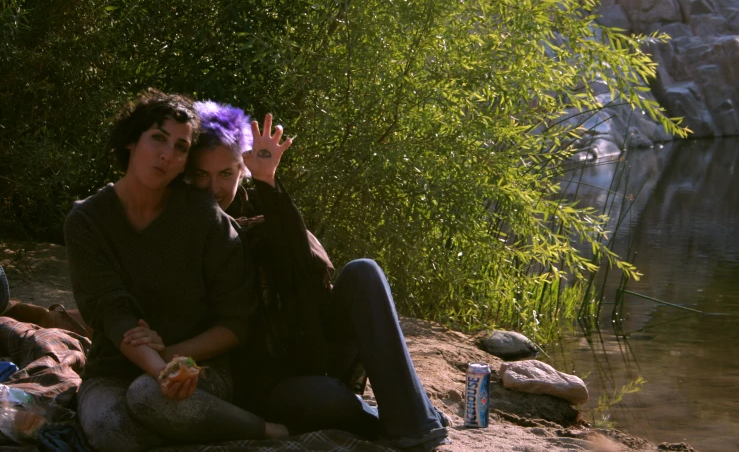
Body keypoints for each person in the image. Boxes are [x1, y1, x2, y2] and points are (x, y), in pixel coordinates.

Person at [172, 100, 451, 451]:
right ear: (185, 174)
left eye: (225, 173)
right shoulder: (182, 225)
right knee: (327, 396)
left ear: (241, 171)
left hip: (313, 345)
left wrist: (268, 180)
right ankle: (394, 417)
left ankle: (415, 423)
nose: (214, 187)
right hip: (268, 384)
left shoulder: (263, 205)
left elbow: (303, 268)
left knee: (364, 271)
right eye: (201, 175)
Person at [63, 89, 288, 452]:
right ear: (131, 142)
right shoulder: (87, 220)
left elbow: (236, 323)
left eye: (181, 148)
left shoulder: (203, 216)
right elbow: (110, 309)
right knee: (110, 429)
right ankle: (191, 427)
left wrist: (170, 361)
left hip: (201, 366)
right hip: (113, 371)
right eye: (158, 138)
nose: (167, 154)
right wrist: (157, 368)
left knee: (147, 397)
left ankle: (264, 430)